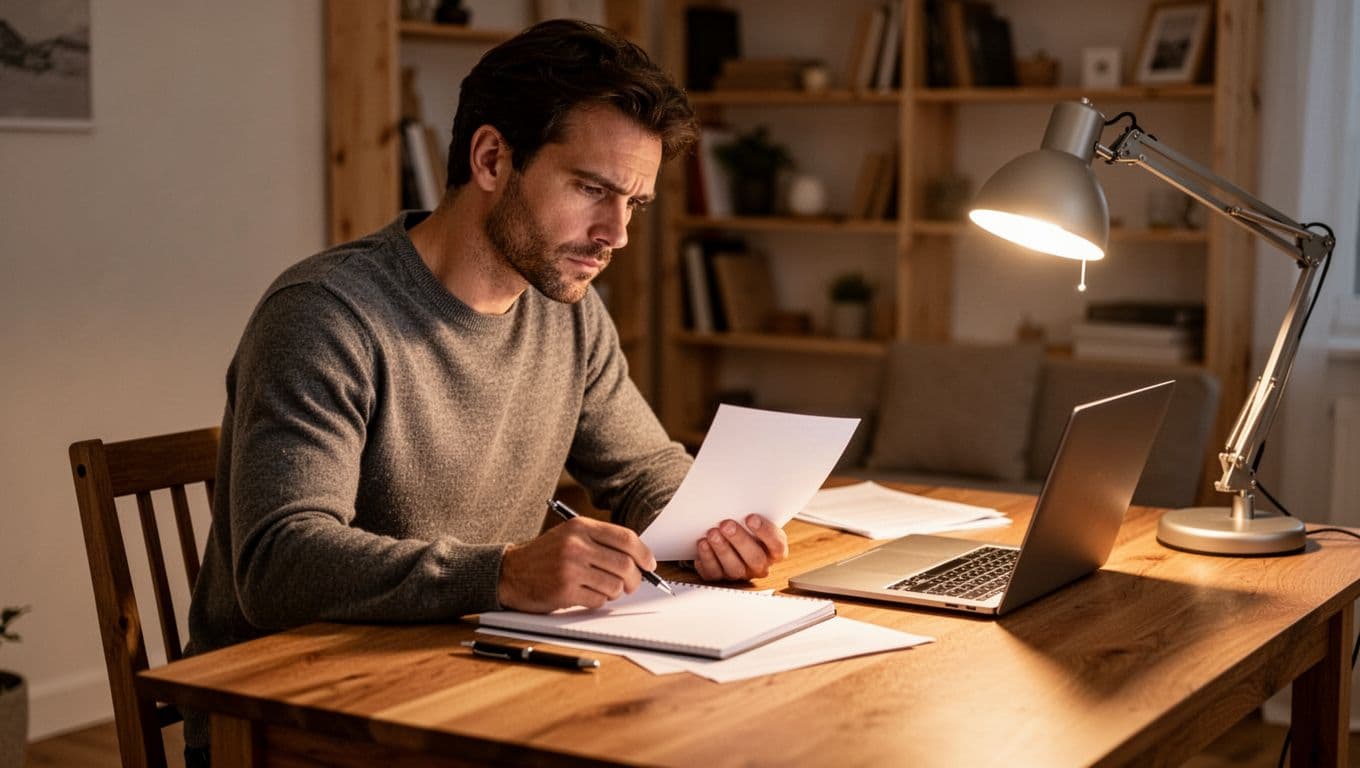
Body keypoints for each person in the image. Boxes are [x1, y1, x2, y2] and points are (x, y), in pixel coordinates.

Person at [182, 19, 788, 762]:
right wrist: (501, 572)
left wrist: (710, 527)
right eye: (594, 190)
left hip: (470, 685)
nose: (616, 234)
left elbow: (644, 469)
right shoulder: (325, 315)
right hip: (301, 722)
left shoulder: (569, 314)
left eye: (634, 204)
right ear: (493, 158)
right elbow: (278, 566)